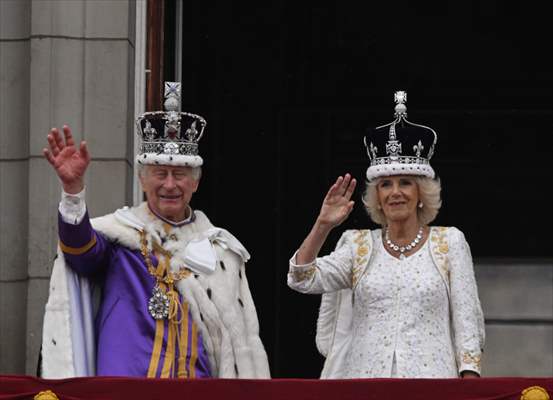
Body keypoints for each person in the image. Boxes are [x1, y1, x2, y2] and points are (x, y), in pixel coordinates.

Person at [40, 82, 270, 379]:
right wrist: (73, 192)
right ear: (142, 180)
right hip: (127, 388)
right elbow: (80, 251)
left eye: (180, 175)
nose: (170, 185)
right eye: (160, 174)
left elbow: (237, 345)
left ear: (196, 183)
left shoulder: (221, 251)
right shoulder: (120, 238)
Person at [287, 91, 485, 379]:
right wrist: (323, 225)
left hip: (433, 386)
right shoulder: (358, 247)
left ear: (421, 194)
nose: (395, 192)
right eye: (385, 185)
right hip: (365, 384)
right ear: (377, 197)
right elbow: (301, 278)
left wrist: (469, 380)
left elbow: (467, 322)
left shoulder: (449, 242)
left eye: (405, 183)